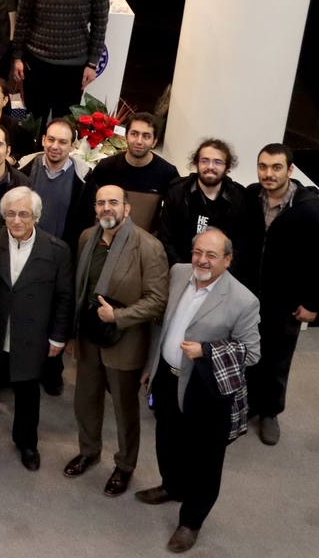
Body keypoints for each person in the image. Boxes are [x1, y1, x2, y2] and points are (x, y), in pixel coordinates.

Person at [137, 229, 260, 554]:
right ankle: (172, 487)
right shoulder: (179, 273)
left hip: (204, 389)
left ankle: (191, 521)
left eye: (211, 255)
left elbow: (252, 353)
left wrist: (206, 351)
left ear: (227, 260)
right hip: (167, 377)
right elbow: (163, 324)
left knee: (205, 458)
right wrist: (151, 365)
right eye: (197, 252)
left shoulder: (243, 300)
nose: (202, 260)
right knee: (167, 439)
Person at [64, 185, 169, 496]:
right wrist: (72, 332)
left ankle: (124, 465)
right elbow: (80, 288)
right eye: (100, 203)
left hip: (125, 339)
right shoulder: (88, 237)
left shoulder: (148, 247)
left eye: (113, 202)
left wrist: (118, 316)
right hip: (89, 335)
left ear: (127, 208)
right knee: (85, 399)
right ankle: (89, 451)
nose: (106, 208)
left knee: (124, 408)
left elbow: (157, 301)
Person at [0, 187, 74, 471]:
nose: (16, 220)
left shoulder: (57, 250)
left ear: (36, 217)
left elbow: (64, 297)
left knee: (28, 393)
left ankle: (27, 442)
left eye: (24, 214)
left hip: (32, 335)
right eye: (11, 214)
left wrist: (58, 336)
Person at [236, 143, 318, 447]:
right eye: (263, 166)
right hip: (248, 296)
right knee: (247, 352)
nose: (268, 173)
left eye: (276, 167)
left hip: (286, 302)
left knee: (277, 359)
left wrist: (313, 303)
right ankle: (247, 404)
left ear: (290, 170)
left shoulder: (310, 208)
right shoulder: (249, 197)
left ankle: (270, 411)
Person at [11, 0, 109, 126]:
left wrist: (92, 64)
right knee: (34, 124)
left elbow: (100, 25)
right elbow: (23, 19)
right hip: (36, 65)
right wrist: (17, 57)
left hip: (74, 68)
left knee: (64, 127)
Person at [81, 112, 178, 232]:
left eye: (146, 136)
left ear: (154, 142)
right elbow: (88, 209)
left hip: (145, 241)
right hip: (105, 237)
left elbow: (172, 218)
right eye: (134, 134)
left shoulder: (167, 173)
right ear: (126, 136)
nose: (139, 141)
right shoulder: (106, 167)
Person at [159, 138, 247, 266]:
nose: (210, 166)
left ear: (227, 167)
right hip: (181, 268)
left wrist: (221, 273)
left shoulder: (238, 199)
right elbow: (166, 239)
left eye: (217, 162)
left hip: (220, 272)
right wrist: (182, 270)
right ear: (197, 164)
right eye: (204, 161)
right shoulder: (177, 193)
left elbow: (240, 245)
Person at [18, 117, 89, 246]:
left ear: (72, 146)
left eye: (62, 142)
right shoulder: (24, 169)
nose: (55, 146)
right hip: (22, 246)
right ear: (43, 140)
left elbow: (83, 223)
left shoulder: (83, 179)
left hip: (60, 251)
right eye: (51, 139)